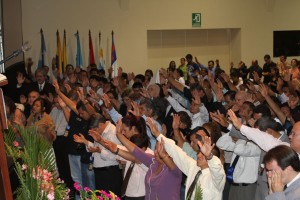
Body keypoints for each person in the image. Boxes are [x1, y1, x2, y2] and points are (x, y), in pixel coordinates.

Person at [147, 117, 225, 200]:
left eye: (203, 155)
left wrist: (209, 156)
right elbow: (176, 151)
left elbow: (217, 169)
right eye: (199, 153)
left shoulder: (216, 178)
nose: (199, 156)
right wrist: (158, 134)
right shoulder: (193, 167)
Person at [113, 120, 182, 199]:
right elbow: (137, 152)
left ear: (169, 153)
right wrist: (118, 140)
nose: (156, 151)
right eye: (156, 148)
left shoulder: (175, 168)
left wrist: (164, 156)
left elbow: (137, 152)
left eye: (161, 149)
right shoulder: (153, 162)